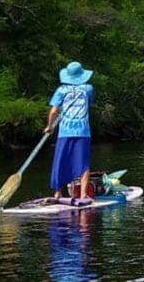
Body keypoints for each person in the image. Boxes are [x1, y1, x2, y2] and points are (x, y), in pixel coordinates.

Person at [45, 61, 94, 201]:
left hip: (64, 131)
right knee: (84, 163)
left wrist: (49, 127)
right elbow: (89, 102)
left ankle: (58, 193)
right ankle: (84, 194)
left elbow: (54, 111)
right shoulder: (88, 89)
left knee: (60, 160)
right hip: (83, 131)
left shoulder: (61, 90)